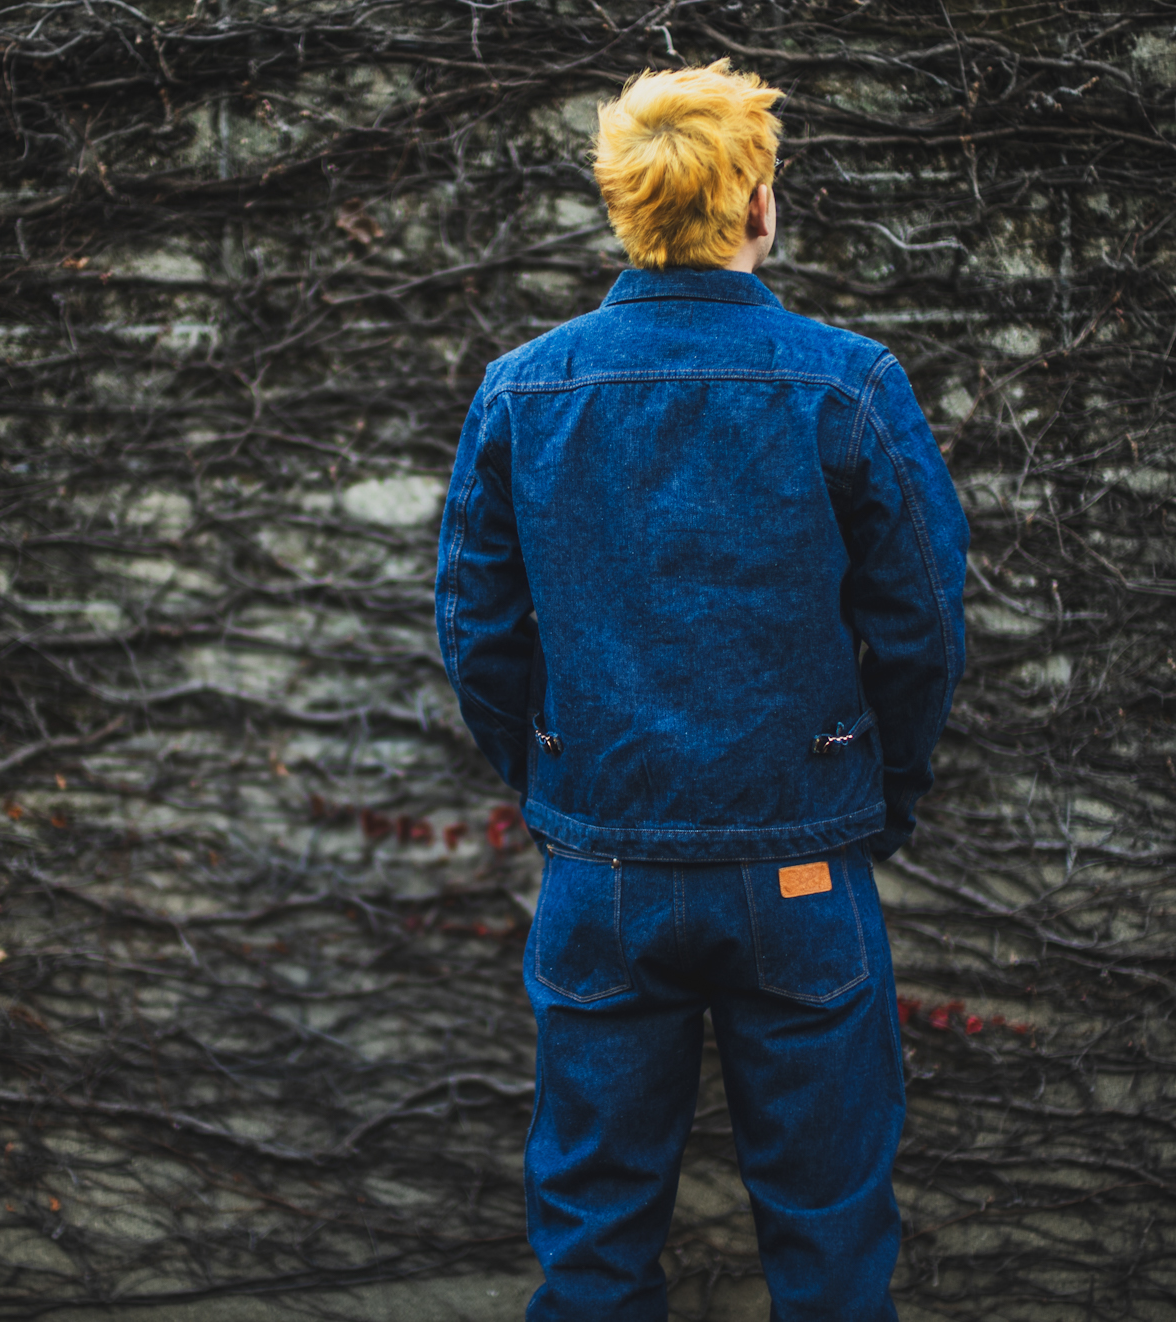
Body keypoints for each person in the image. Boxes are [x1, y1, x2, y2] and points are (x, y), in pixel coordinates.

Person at [434, 59, 968, 1322]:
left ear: (623, 208)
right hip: (802, 864)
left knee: (592, 1252)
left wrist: (563, 788)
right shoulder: (845, 382)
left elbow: (476, 633)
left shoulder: (523, 389)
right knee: (830, 1245)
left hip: (602, 870)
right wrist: (874, 798)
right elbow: (922, 628)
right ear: (758, 203)